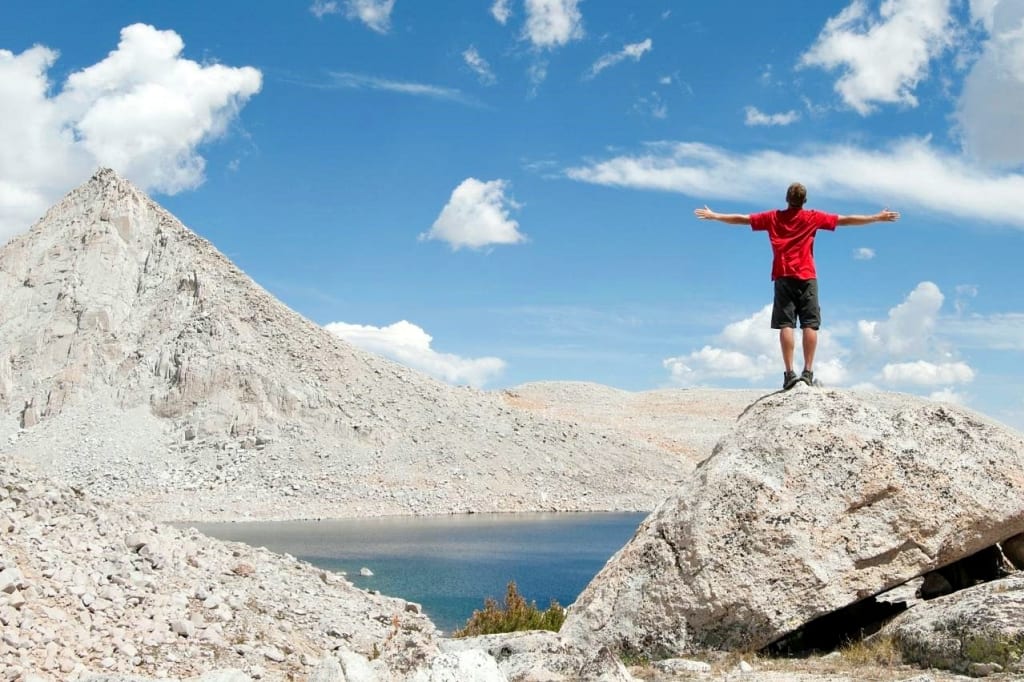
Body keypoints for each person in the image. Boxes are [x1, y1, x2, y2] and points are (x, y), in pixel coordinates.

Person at [694, 183, 899, 390]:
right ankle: (808, 372)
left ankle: (789, 373)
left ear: (786, 199)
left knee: (786, 325)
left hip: (783, 276)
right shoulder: (812, 217)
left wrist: (715, 215)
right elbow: (845, 220)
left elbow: (743, 219)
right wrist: (876, 217)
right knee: (810, 324)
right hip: (807, 276)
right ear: (805, 201)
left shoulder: (774, 217)